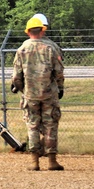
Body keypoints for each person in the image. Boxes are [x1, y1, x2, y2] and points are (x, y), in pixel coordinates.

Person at [12, 16, 65, 171]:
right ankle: (52, 161)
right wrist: (59, 87)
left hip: (30, 95)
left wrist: (23, 89)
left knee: (32, 126)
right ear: (42, 31)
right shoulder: (50, 48)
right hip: (49, 94)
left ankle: (34, 162)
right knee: (50, 126)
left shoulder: (22, 49)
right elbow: (59, 72)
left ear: (28, 32)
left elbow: (16, 76)